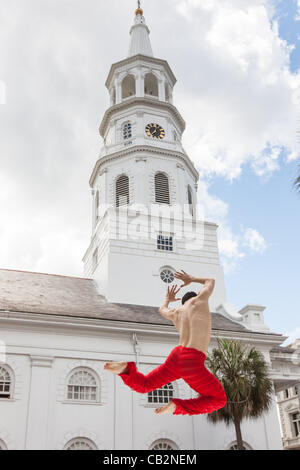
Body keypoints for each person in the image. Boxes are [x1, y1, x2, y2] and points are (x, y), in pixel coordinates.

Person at [104, 270, 227, 416]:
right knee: (219, 399)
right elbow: (210, 281)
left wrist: (168, 299)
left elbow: (162, 310)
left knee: (145, 385)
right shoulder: (199, 301)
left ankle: (125, 370)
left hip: (176, 356)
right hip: (192, 360)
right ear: (195, 296)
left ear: (182, 302)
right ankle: (176, 407)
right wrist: (191, 279)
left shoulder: (176, 313)